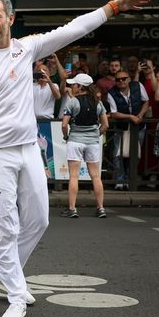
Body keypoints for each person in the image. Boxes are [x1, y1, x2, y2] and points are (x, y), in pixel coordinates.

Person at [0, 0, 150, 317]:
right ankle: (15, 297)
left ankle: (4, 274)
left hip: (28, 149)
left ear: (10, 18)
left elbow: (74, 28)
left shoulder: (27, 48)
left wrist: (114, 7)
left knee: (39, 220)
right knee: (5, 226)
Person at [60, 74, 109, 218]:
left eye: (74, 84)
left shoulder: (73, 102)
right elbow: (105, 125)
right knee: (96, 176)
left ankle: (72, 208)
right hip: (93, 142)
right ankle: (101, 208)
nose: (72, 87)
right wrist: (96, 135)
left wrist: (66, 136)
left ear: (80, 87)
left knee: (74, 176)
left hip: (75, 140)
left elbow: (64, 124)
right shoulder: (98, 102)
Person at [107, 70, 150, 190]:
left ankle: (130, 179)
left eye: (123, 78)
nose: (121, 81)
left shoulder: (138, 86)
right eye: (118, 79)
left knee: (134, 154)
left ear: (129, 79)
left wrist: (140, 115)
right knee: (118, 154)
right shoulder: (112, 93)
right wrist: (130, 117)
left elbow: (146, 101)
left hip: (138, 127)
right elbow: (114, 113)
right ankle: (120, 181)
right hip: (121, 127)